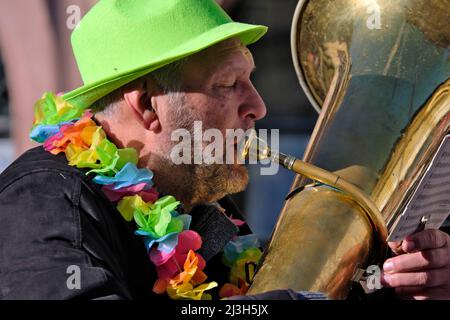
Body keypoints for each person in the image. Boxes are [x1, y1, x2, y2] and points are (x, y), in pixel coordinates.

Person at [0, 0, 449, 300]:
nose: (257, 106)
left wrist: (389, 284)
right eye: (228, 84)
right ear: (148, 107)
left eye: (250, 80)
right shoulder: (40, 200)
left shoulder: (201, 209)